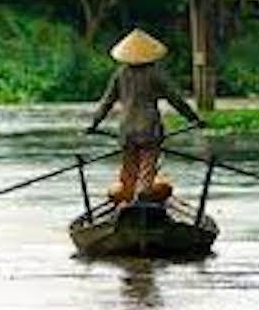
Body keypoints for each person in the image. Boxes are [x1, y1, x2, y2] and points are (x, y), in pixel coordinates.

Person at [87, 28, 205, 205]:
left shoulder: (120, 74)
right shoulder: (155, 73)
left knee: (129, 169)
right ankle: (142, 196)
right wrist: (194, 118)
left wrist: (94, 123)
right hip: (149, 129)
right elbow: (175, 99)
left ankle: (128, 197)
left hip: (127, 129)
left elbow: (107, 102)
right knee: (147, 167)